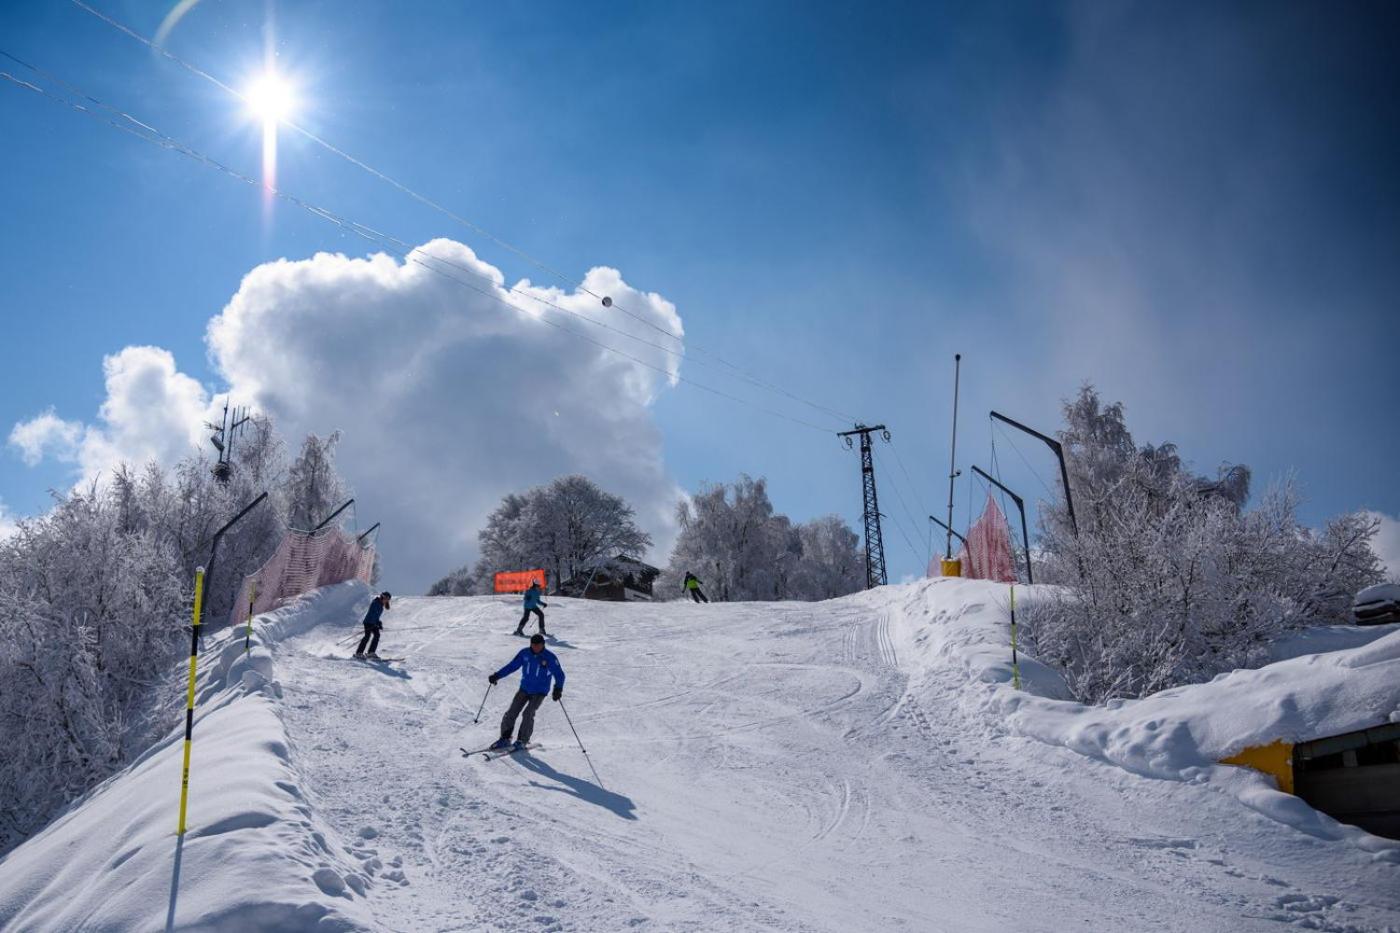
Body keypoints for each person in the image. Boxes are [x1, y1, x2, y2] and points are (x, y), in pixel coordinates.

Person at [488, 633, 565, 750]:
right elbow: (512, 666)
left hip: (540, 691)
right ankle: (505, 738)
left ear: (543, 644)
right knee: (511, 712)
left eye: (538, 645)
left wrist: (558, 688)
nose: (535, 648)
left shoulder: (549, 657)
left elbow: (559, 675)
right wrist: (497, 675)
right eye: (533, 645)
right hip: (524, 688)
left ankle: (522, 740)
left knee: (528, 713)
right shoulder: (525, 653)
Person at [354, 592, 392, 659]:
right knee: (367, 636)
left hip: (374, 623)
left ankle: (371, 653)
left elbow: (377, 616)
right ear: (382, 597)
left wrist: (379, 623)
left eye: (388, 599)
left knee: (377, 635)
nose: (387, 600)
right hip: (368, 622)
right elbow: (373, 613)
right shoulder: (375, 603)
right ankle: (359, 653)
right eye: (386, 598)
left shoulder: (381, 606)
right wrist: (375, 623)